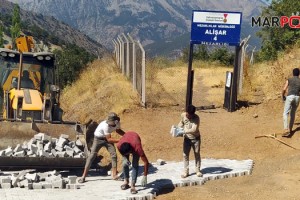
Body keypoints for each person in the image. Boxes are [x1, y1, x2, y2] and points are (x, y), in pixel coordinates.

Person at [78, 112, 125, 183]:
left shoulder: (117, 123)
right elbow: (109, 139)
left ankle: (114, 175)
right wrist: (121, 140)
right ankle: (83, 176)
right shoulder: (105, 126)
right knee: (92, 156)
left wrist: (126, 135)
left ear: (115, 121)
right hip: (98, 139)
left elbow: (118, 130)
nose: (109, 123)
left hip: (107, 138)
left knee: (114, 155)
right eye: (108, 122)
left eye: (111, 122)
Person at [178, 104, 202, 178]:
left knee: (197, 153)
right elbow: (181, 123)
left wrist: (184, 131)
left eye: (190, 115)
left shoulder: (196, 118)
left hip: (195, 139)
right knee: (185, 155)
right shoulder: (183, 115)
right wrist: (178, 129)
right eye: (187, 114)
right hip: (187, 139)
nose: (188, 116)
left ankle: (197, 170)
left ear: (193, 114)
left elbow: (194, 129)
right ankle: (186, 171)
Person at [282, 68, 300, 137]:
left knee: (285, 113)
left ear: (293, 73)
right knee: (293, 113)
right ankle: (290, 129)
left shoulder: (289, 80)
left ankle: (286, 129)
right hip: (297, 97)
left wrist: (283, 95)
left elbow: (284, 89)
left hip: (289, 97)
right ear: (298, 74)